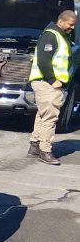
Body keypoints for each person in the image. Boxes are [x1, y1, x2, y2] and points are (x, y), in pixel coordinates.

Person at [28, 9, 77, 165]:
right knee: (50, 117)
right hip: (47, 83)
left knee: (43, 115)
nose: (73, 28)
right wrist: (52, 80)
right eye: (70, 24)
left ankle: (35, 145)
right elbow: (43, 60)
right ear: (61, 21)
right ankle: (45, 150)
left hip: (47, 83)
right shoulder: (51, 35)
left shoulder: (60, 36)